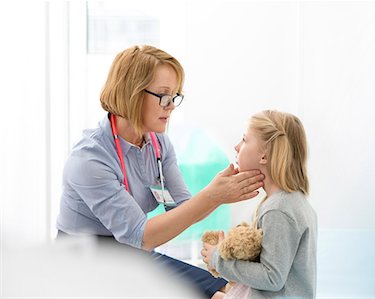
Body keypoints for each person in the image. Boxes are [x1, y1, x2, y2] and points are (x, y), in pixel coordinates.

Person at [56, 45, 264, 299]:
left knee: (230, 292)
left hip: (132, 255)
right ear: (131, 93)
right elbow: (142, 236)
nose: (172, 106)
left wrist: (219, 193)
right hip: (84, 262)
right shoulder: (90, 159)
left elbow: (182, 209)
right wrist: (213, 196)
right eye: (164, 96)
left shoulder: (157, 144)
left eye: (175, 96)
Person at [201, 110, 318, 299]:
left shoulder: (279, 210)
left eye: (245, 140)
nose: (237, 146)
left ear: (264, 156)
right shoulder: (291, 202)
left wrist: (218, 260)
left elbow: (272, 278)